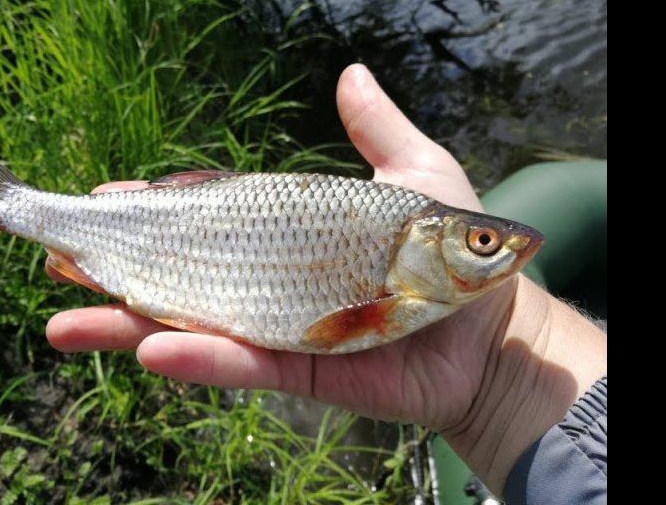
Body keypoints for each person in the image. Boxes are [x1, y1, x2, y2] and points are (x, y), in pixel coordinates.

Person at [44, 64, 607, 503]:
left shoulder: (419, 293)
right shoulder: (404, 275)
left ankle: (6, 204)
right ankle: (2, 203)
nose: (504, 251)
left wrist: (495, 380)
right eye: (481, 243)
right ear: (419, 243)